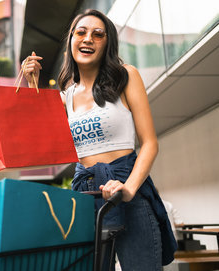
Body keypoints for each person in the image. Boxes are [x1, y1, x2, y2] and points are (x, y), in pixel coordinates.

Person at [22, 9, 177, 271]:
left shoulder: (126, 77)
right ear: (70, 40)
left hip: (127, 186)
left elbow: (150, 142)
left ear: (107, 44)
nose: (87, 39)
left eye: (97, 34)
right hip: (84, 193)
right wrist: (32, 84)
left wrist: (127, 189)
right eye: (80, 32)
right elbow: (41, 139)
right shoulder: (65, 96)